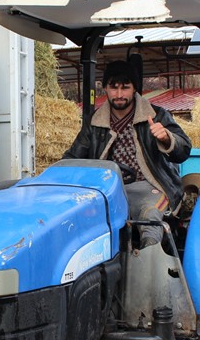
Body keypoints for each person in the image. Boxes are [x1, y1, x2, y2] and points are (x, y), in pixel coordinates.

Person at [63, 60, 191, 248]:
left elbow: (184, 149)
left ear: (135, 89)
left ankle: (149, 260)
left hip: (150, 186)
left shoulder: (157, 115)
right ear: (105, 89)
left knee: (150, 216)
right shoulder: (95, 122)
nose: (119, 94)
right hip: (107, 189)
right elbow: (73, 158)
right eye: (113, 88)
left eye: (125, 87)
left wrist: (166, 138)